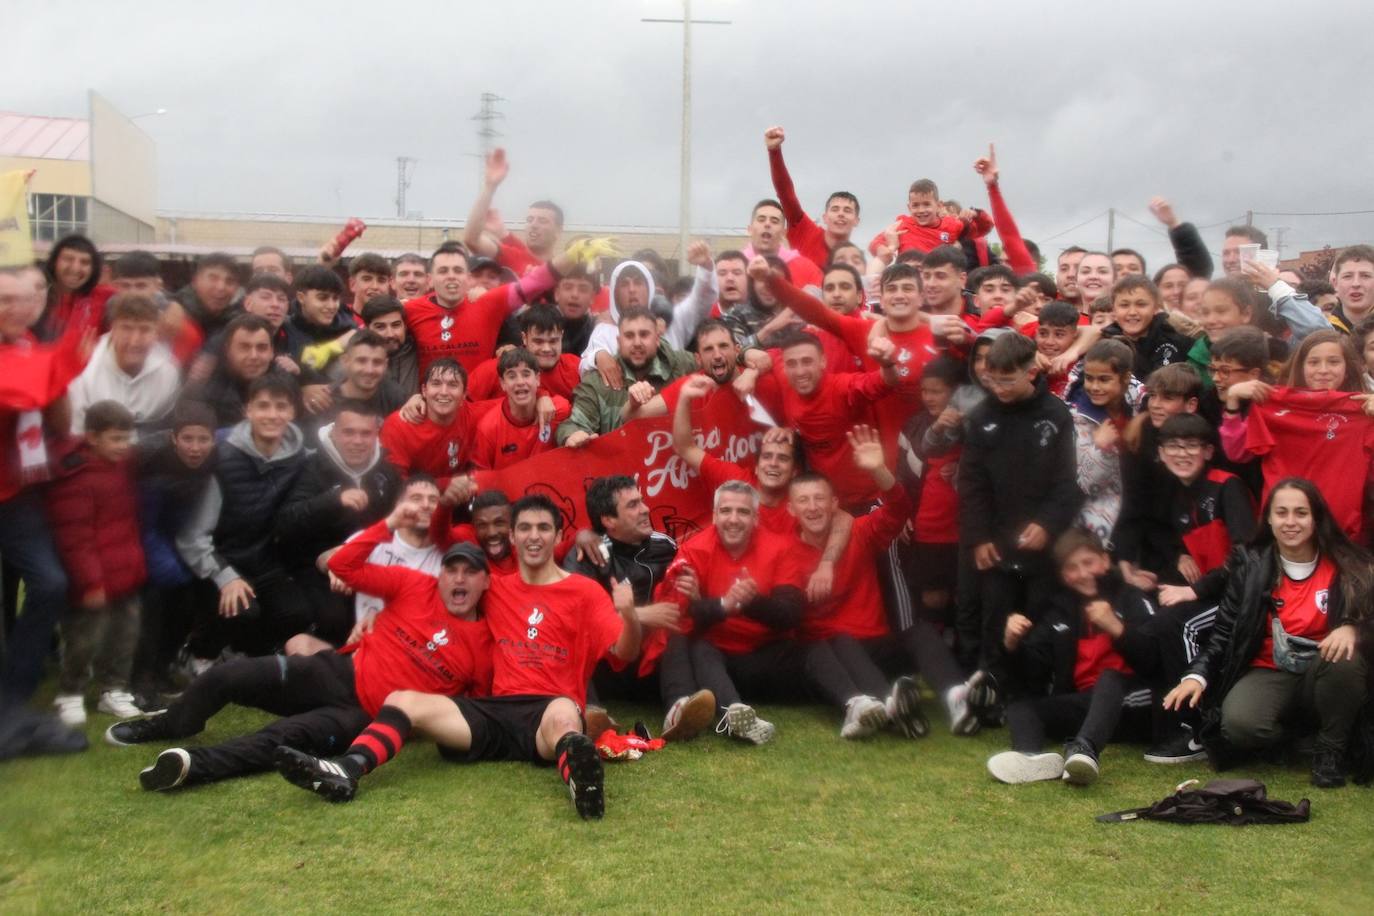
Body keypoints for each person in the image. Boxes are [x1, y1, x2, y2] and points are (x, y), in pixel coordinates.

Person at [278, 494, 641, 820]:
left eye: (544, 528)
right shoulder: (492, 586)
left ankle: (583, 784)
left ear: (558, 537)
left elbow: (624, 651)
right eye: (525, 528)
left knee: (564, 718)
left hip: (546, 710)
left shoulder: (585, 591)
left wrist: (629, 615)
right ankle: (347, 769)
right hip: (492, 712)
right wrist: (377, 618)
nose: (534, 536)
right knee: (402, 700)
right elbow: (440, 588)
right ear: (512, 537)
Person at [106, 497, 493, 792]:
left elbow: (467, 714)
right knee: (227, 676)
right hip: (334, 673)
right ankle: (174, 723)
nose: (459, 580)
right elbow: (343, 566)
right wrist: (390, 522)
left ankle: (188, 765)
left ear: (485, 583)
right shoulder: (415, 585)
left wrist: (416, 728)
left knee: (277, 740)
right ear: (440, 574)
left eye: (470, 573)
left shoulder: (480, 648)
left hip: (362, 718)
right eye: (452, 570)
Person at [1163, 479, 1371, 788]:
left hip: (1325, 668)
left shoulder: (1349, 563)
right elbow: (1223, 632)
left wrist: (1354, 628)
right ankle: (1298, 741)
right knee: (1239, 726)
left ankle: (1330, 751)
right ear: (1269, 519)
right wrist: (1196, 676)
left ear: (1316, 518)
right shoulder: (1249, 566)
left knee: (1345, 657)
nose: (1291, 522)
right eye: (1282, 512)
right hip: (1269, 670)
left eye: (1301, 513)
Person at [791, 426, 974, 736]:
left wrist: (878, 470)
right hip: (839, 660)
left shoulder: (860, 532)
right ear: (791, 509)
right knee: (838, 639)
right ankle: (890, 705)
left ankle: (957, 697)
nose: (813, 507)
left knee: (919, 631)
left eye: (820, 499)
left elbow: (899, 509)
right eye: (804, 501)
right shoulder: (784, 551)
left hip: (878, 648)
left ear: (835, 503)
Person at [0, 265, 94, 759]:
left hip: (19, 493)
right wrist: (48, 373)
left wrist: (55, 378)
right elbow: (19, 394)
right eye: (4, 300)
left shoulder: (30, 352)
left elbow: (56, 416)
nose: (16, 309)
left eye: (24, 299)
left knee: (49, 583)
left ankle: (12, 703)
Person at [986, 530, 1160, 785]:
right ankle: (1030, 758)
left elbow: (1157, 659)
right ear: (1063, 575)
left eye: (1088, 563)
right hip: (1088, 705)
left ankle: (1085, 751)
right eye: (1072, 568)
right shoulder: (1060, 611)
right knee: (1021, 707)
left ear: (1104, 560)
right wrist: (1011, 644)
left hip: (1136, 703)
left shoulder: (1132, 598)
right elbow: (1031, 673)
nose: (1082, 574)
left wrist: (1118, 629)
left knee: (1109, 679)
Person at [959, 333, 1082, 684]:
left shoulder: (1056, 413)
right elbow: (972, 484)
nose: (999, 387)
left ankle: (1032, 688)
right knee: (995, 616)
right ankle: (990, 687)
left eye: (1007, 379)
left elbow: (1067, 483)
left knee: (1036, 614)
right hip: (997, 538)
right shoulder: (982, 416)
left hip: (1042, 543)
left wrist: (1047, 524)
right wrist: (978, 537)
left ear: (1030, 373)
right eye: (992, 379)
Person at [563, 476, 715, 741]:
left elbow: (684, 605)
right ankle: (590, 713)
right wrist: (640, 615)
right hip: (607, 669)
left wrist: (695, 594)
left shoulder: (665, 545)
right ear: (608, 520)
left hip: (650, 668)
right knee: (572, 639)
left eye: (642, 500)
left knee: (674, 626)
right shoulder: (587, 553)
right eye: (633, 505)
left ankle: (678, 709)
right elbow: (573, 612)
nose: (645, 509)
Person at [177, 375, 311, 661]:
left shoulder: (300, 457)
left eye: (280, 407)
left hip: (265, 561)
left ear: (292, 412)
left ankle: (247, 652)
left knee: (297, 613)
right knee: (240, 609)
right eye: (262, 406)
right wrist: (225, 577)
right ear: (247, 410)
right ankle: (198, 653)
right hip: (221, 558)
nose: (272, 415)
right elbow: (193, 536)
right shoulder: (222, 460)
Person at [47, 401, 147, 725]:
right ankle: (70, 692)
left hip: (125, 573)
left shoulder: (120, 465)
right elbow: (75, 538)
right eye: (116, 439)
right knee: (84, 637)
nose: (123, 446)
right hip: (94, 580)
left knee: (126, 634)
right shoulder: (75, 478)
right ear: (92, 437)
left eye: (126, 438)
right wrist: (90, 582)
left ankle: (113, 689)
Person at [1220, 330, 1374, 540]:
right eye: (1313, 362)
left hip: (1338, 532)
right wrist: (1232, 400)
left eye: (1333, 362)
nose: (1323, 370)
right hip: (1286, 526)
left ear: (1347, 369)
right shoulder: (1274, 405)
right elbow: (1237, 453)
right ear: (1301, 366)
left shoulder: (1364, 410)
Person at [276, 400, 402, 644]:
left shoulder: (386, 473)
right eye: (349, 432)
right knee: (334, 619)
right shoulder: (312, 468)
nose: (357, 441)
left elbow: (396, 526)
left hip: (369, 561)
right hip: (315, 565)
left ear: (376, 435)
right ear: (334, 432)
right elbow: (285, 523)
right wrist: (332, 500)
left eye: (365, 433)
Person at [131, 403, 218, 702]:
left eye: (203, 440)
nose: (195, 448)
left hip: (181, 537)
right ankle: (141, 678)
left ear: (214, 440)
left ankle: (165, 665)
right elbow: (145, 523)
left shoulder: (215, 459)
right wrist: (167, 567)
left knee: (188, 600)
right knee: (156, 601)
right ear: (174, 438)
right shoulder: (149, 459)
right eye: (188, 439)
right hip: (145, 536)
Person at [403, 238, 565, 379]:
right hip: (430, 407)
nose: (451, 276)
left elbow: (537, 282)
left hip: (480, 407)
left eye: (458, 270)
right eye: (443, 271)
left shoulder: (488, 304)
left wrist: (575, 253)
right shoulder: (409, 310)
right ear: (430, 279)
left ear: (467, 277)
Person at [557, 307, 696, 445]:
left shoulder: (684, 365)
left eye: (644, 335)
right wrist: (572, 435)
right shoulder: (596, 383)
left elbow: (712, 366)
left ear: (657, 339)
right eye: (629, 336)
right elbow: (572, 425)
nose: (637, 343)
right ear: (619, 342)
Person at [66, 293, 180, 438]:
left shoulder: (169, 372)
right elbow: (76, 433)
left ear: (156, 333)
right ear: (112, 329)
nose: (134, 341)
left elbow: (164, 431)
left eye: (144, 330)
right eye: (127, 328)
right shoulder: (85, 368)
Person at [1065, 339, 1141, 546]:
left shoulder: (1139, 403)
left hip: (1137, 513)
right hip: (1096, 522)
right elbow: (1085, 484)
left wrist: (1142, 418)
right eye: (1089, 379)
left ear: (1125, 378)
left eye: (1104, 379)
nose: (1094, 387)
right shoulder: (1076, 418)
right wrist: (1100, 448)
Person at [380, 359, 477, 502]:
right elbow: (394, 486)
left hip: (459, 503)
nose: (444, 392)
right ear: (424, 390)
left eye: (453, 385)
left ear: (464, 395)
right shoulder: (399, 425)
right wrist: (445, 485)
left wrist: (470, 479)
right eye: (436, 384)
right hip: (411, 506)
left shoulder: (474, 415)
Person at [763, 125, 860, 268]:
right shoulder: (805, 231)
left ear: (856, 221)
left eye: (847, 210)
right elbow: (786, 194)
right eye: (835, 209)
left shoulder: (855, 261)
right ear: (825, 217)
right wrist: (774, 151)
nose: (840, 214)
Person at [462, 148, 564, 276]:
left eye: (543, 221)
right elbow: (472, 239)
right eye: (529, 220)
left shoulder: (565, 269)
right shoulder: (514, 256)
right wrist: (490, 186)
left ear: (558, 231)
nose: (534, 224)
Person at [469, 348, 569, 470]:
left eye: (526, 374)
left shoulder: (557, 410)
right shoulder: (488, 429)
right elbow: (482, 479)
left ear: (537, 379)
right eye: (512, 376)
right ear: (502, 384)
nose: (520, 382)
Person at [303, 330, 407, 441]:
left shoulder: (396, 397)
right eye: (361, 361)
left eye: (377, 362)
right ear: (345, 361)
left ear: (386, 365)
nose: (369, 370)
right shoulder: (323, 401)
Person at [469, 306, 582, 401]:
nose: (546, 348)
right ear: (524, 338)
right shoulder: (494, 369)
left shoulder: (578, 368)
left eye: (553, 341)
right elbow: (461, 408)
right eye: (538, 341)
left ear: (561, 336)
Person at [183, 315, 278, 429]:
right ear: (227, 351)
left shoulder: (285, 387)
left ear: (272, 352)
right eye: (244, 347)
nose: (254, 356)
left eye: (261, 348)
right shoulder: (202, 392)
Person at [866, 178, 992, 259]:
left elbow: (985, 227)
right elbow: (874, 245)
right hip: (912, 287)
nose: (921, 210)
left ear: (939, 205)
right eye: (915, 205)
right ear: (909, 207)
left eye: (926, 204)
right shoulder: (901, 225)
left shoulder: (952, 225)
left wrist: (976, 213)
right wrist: (886, 250)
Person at [1100, 275, 1194, 377]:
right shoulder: (1102, 343)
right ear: (1114, 310)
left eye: (1141, 305)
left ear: (1156, 308)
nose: (1132, 312)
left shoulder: (1177, 343)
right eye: (1124, 305)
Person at [36, 234, 114, 342]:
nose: (75, 268)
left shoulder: (107, 298)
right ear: (54, 262)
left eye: (85, 262)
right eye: (68, 259)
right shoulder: (35, 296)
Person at [742, 198, 823, 291]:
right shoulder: (735, 267)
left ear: (783, 233)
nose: (767, 224)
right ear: (749, 229)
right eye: (761, 219)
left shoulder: (806, 269)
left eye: (774, 221)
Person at [175, 252, 241, 341]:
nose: (221, 287)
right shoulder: (171, 313)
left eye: (229, 281)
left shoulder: (234, 323)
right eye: (213, 278)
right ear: (195, 282)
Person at [362, 296, 418, 395]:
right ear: (367, 329)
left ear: (405, 326)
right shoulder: (357, 361)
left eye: (396, 325)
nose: (390, 334)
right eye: (380, 327)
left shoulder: (421, 350)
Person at [1325, 244, 1374, 334]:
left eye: (1365, 276)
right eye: (1347, 276)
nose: (1356, 284)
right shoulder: (1322, 332)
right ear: (1335, 283)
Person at [344, 253, 392, 322]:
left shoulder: (397, 319)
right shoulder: (337, 317)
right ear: (352, 284)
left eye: (381, 280)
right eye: (367, 279)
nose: (375, 286)